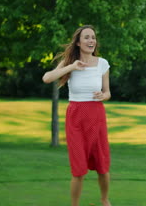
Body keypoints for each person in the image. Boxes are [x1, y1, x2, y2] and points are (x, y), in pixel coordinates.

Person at [42, 25, 112, 206]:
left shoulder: (102, 63)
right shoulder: (69, 62)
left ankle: (104, 200)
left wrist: (103, 96)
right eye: (87, 37)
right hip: (76, 117)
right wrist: (72, 66)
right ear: (79, 42)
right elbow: (47, 78)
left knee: (102, 167)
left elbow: (107, 92)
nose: (91, 41)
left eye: (93, 37)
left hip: (96, 116)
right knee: (78, 169)